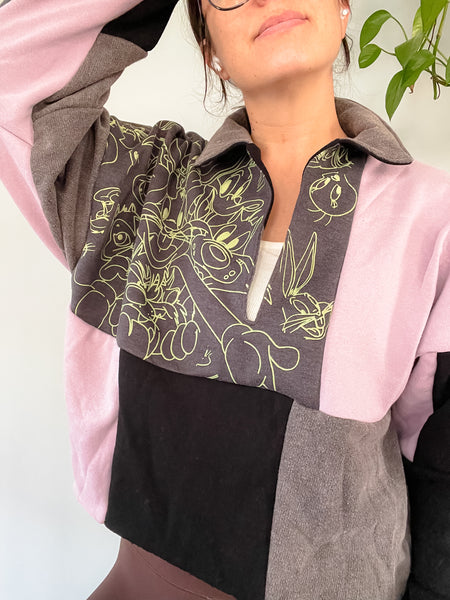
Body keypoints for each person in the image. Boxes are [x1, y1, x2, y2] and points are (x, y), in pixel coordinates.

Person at [0, 0, 449, 599]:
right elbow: (10, 72)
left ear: (342, 8)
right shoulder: (139, 186)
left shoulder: (434, 218)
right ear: (211, 53)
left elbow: (441, 460)